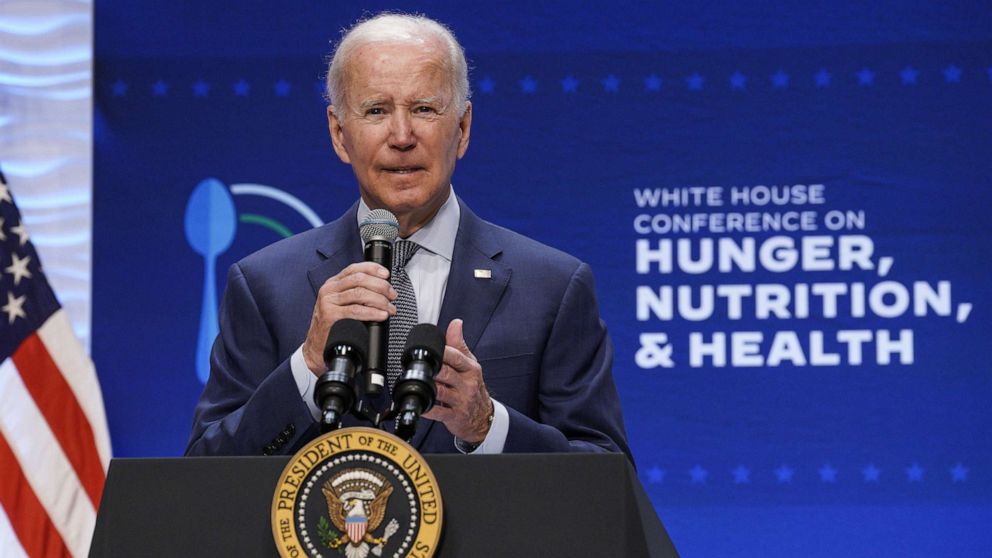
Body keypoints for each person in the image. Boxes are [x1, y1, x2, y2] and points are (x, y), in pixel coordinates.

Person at [185, 13, 630, 460]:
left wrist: (487, 425)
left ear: (462, 128)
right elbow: (203, 475)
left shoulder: (552, 287)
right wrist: (308, 365)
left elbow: (607, 477)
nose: (402, 136)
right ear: (339, 134)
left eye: (423, 109)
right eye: (376, 110)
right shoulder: (264, 286)